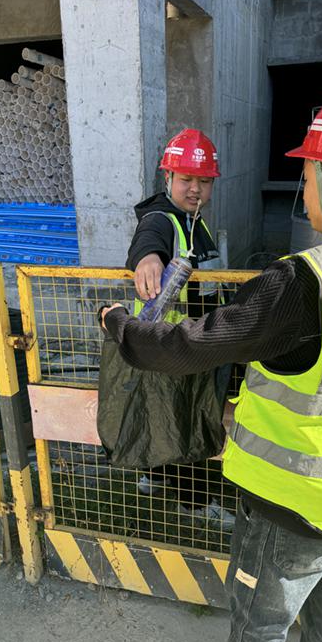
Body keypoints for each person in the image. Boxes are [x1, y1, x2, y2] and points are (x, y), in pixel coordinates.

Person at [102, 84, 322, 642]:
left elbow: (190, 344)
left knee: (258, 628)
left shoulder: (305, 281)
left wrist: (120, 326)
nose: (303, 187)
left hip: (288, 504)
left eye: (307, 173)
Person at [127, 127, 234, 527]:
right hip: (174, 346)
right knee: (189, 424)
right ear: (168, 177)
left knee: (163, 415)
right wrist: (147, 259)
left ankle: (153, 477)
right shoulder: (163, 219)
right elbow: (148, 238)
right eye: (186, 179)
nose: (195, 189)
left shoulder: (195, 223)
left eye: (204, 181)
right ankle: (196, 503)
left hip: (184, 344)